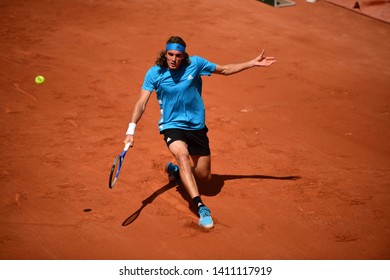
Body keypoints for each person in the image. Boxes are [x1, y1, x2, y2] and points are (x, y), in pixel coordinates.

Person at [124, 36, 276, 229]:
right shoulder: (155, 73)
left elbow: (225, 70)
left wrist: (252, 63)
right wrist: (131, 129)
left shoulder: (195, 64)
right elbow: (141, 102)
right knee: (182, 155)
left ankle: (176, 170)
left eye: (178, 56)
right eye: (170, 54)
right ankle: (201, 206)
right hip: (172, 125)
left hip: (196, 128)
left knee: (204, 176)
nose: (173, 59)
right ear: (165, 53)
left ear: (183, 56)